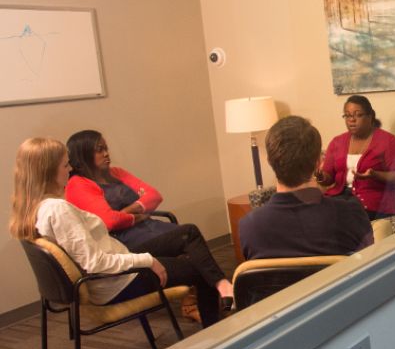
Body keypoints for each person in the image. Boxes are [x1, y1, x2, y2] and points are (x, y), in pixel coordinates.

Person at [10, 138, 226, 328]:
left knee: (187, 233)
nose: (69, 170)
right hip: (117, 282)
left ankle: (225, 289)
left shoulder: (34, 209)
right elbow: (95, 263)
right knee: (198, 269)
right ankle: (215, 332)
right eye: (65, 165)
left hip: (114, 266)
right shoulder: (58, 210)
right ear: (48, 171)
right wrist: (148, 261)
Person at [63, 130, 233, 317]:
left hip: (150, 229)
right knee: (189, 234)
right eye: (99, 150)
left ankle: (212, 300)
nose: (106, 153)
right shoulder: (78, 184)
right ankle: (220, 290)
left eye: (106, 148)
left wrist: (125, 212)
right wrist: (136, 215)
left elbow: (154, 196)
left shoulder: (116, 173)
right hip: (127, 243)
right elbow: (109, 221)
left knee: (193, 248)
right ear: (83, 154)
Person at [239, 115, 373, 260]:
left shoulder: (249, 226)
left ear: (270, 162)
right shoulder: (351, 213)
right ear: (318, 162)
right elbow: (369, 268)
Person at [318, 95, 395, 220]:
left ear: (370, 116)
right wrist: (319, 176)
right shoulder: (337, 142)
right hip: (340, 197)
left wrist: (375, 175)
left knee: (341, 217)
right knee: (314, 212)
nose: (352, 120)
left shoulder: (388, 141)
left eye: (358, 115)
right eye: (348, 115)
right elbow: (328, 178)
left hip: (373, 203)